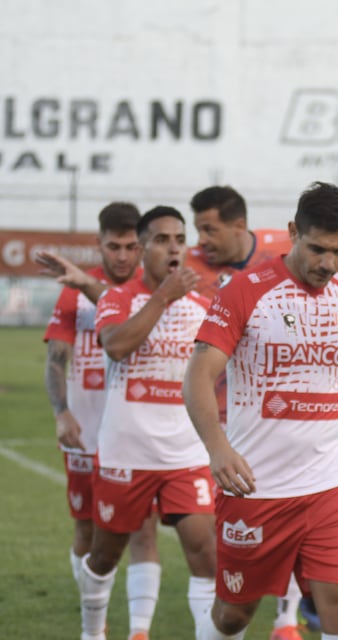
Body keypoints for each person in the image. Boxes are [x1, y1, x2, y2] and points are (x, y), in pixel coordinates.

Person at [184, 181, 338, 640]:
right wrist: (218, 450)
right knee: (234, 615)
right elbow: (197, 377)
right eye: (317, 248)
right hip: (256, 484)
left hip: (331, 484)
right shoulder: (244, 292)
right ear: (293, 232)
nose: (327, 263)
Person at [79, 206, 215, 640]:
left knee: (208, 560)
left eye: (179, 239)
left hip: (185, 455)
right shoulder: (118, 298)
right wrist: (163, 298)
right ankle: (92, 631)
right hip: (126, 453)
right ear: (142, 249)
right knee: (103, 558)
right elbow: (117, 346)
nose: (173, 248)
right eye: (161, 240)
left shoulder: (205, 306)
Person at [43, 201, 164, 640]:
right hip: (85, 431)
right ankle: (94, 615)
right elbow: (55, 360)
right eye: (113, 246)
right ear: (100, 244)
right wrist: (61, 413)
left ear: (142, 246)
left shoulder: (150, 291)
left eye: (131, 246)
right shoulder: (75, 290)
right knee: (86, 528)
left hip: (135, 433)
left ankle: (139, 631)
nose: (122, 256)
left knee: (143, 530)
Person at [187, 185, 303, 639]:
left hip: (280, 417)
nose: (201, 239)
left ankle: (286, 620)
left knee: (297, 513)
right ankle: (226, 611)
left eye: (209, 228)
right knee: (230, 532)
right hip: (211, 418)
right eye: (197, 229)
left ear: (240, 226)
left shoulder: (283, 249)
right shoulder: (190, 267)